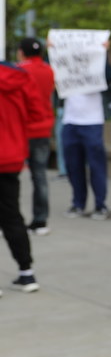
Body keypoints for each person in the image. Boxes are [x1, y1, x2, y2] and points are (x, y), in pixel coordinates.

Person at [0, 59, 47, 294]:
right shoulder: (19, 77)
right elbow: (37, 113)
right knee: (11, 216)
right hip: (11, 156)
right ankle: (26, 273)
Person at [62, 43, 111, 220]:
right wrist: (51, 49)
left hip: (92, 121)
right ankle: (78, 203)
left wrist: (104, 53)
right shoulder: (66, 64)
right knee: (73, 165)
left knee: (96, 165)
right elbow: (53, 67)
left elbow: (108, 76)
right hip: (70, 121)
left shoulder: (98, 65)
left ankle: (100, 205)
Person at [16, 37, 55, 236]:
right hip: (42, 129)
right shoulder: (49, 70)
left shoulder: (19, 71)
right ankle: (40, 221)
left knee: (8, 177)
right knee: (39, 176)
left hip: (20, 130)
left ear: (21, 52)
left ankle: (8, 219)